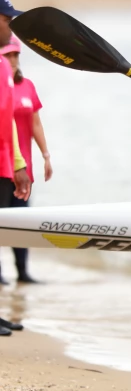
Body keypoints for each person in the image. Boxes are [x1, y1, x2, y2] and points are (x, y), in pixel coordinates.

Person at [0, 34, 51, 283]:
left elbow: (35, 123)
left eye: (15, 55)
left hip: (22, 166)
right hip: (3, 165)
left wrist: (45, 155)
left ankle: (22, 272)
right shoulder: (2, 85)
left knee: (21, 221)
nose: (12, 59)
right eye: (7, 55)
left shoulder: (26, 86)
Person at [0, 0, 31, 333]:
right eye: (7, 19)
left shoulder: (1, 67)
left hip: (3, 165)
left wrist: (18, 165)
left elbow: (6, 118)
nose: (12, 26)